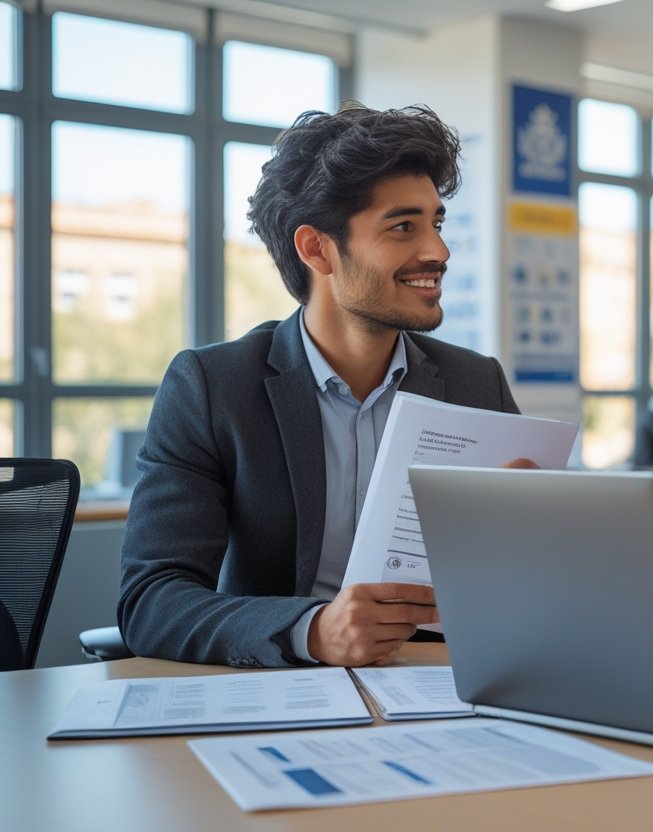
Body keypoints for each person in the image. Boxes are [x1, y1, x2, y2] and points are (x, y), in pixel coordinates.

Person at [119, 103, 520, 668]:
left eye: (437, 222)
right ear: (316, 249)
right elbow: (152, 600)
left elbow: (526, 585)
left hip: (450, 681)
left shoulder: (477, 382)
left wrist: (538, 533)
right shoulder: (213, 388)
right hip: (286, 689)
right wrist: (314, 630)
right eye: (404, 226)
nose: (438, 251)